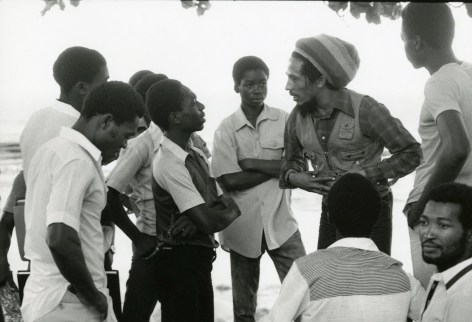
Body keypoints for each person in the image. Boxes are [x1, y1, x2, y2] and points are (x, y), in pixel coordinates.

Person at [281, 34, 421, 254]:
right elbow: (291, 160)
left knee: (371, 280)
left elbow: (412, 152)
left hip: (372, 213)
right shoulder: (296, 117)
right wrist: (295, 177)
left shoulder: (367, 110)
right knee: (328, 279)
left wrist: (366, 175)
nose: (287, 86)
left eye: (295, 78)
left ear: (320, 80)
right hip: (330, 211)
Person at [21, 81, 145, 322]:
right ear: (106, 121)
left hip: (47, 295)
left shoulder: (52, 149)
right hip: (69, 302)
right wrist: (93, 297)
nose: (124, 145)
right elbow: (59, 237)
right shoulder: (76, 160)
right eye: (126, 135)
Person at [0, 46, 109, 288]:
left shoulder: (36, 118)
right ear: (82, 87)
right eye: (104, 83)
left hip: (37, 245)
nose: (108, 91)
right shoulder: (78, 128)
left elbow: (25, 179)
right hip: (73, 249)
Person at [106, 73, 211, 321]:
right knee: (136, 314)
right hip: (153, 245)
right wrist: (138, 238)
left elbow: (208, 187)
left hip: (189, 246)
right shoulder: (142, 144)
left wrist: (198, 218)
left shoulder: (193, 140)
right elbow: (110, 192)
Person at [211, 56, 306, 322]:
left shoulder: (285, 119)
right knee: (243, 309)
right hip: (242, 226)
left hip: (282, 222)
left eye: (262, 83)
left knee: (303, 296)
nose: (257, 89)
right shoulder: (226, 129)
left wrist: (250, 163)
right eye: (249, 84)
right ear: (236, 87)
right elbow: (229, 180)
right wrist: (278, 167)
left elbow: (299, 165)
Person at [262, 173, 425, 322]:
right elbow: (436, 315)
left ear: (329, 217)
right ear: (377, 219)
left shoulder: (306, 271)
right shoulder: (404, 280)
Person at [147, 79, 240, 321]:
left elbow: (227, 201)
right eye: (193, 102)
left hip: (198, 261)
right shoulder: (169, 162)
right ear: (175, 117)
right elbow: (216, 217)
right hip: (177, 265)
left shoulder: (196, 154)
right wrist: (208, 217)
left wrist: (199, 217)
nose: (202, 107)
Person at [401, 3, 472, 288]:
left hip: (436, 210)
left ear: (416, 41)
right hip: (463, 209)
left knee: (433, 298)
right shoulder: (466, 73)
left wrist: (421, 209)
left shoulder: (439, 83)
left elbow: (457, 147)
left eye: (404, 39)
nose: (405, 46)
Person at [418, 183, 472, 321]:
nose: (428, 234)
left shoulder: (465, 296)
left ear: (469, 235)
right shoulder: (444, 276)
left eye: (443, 225)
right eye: (424, 222)